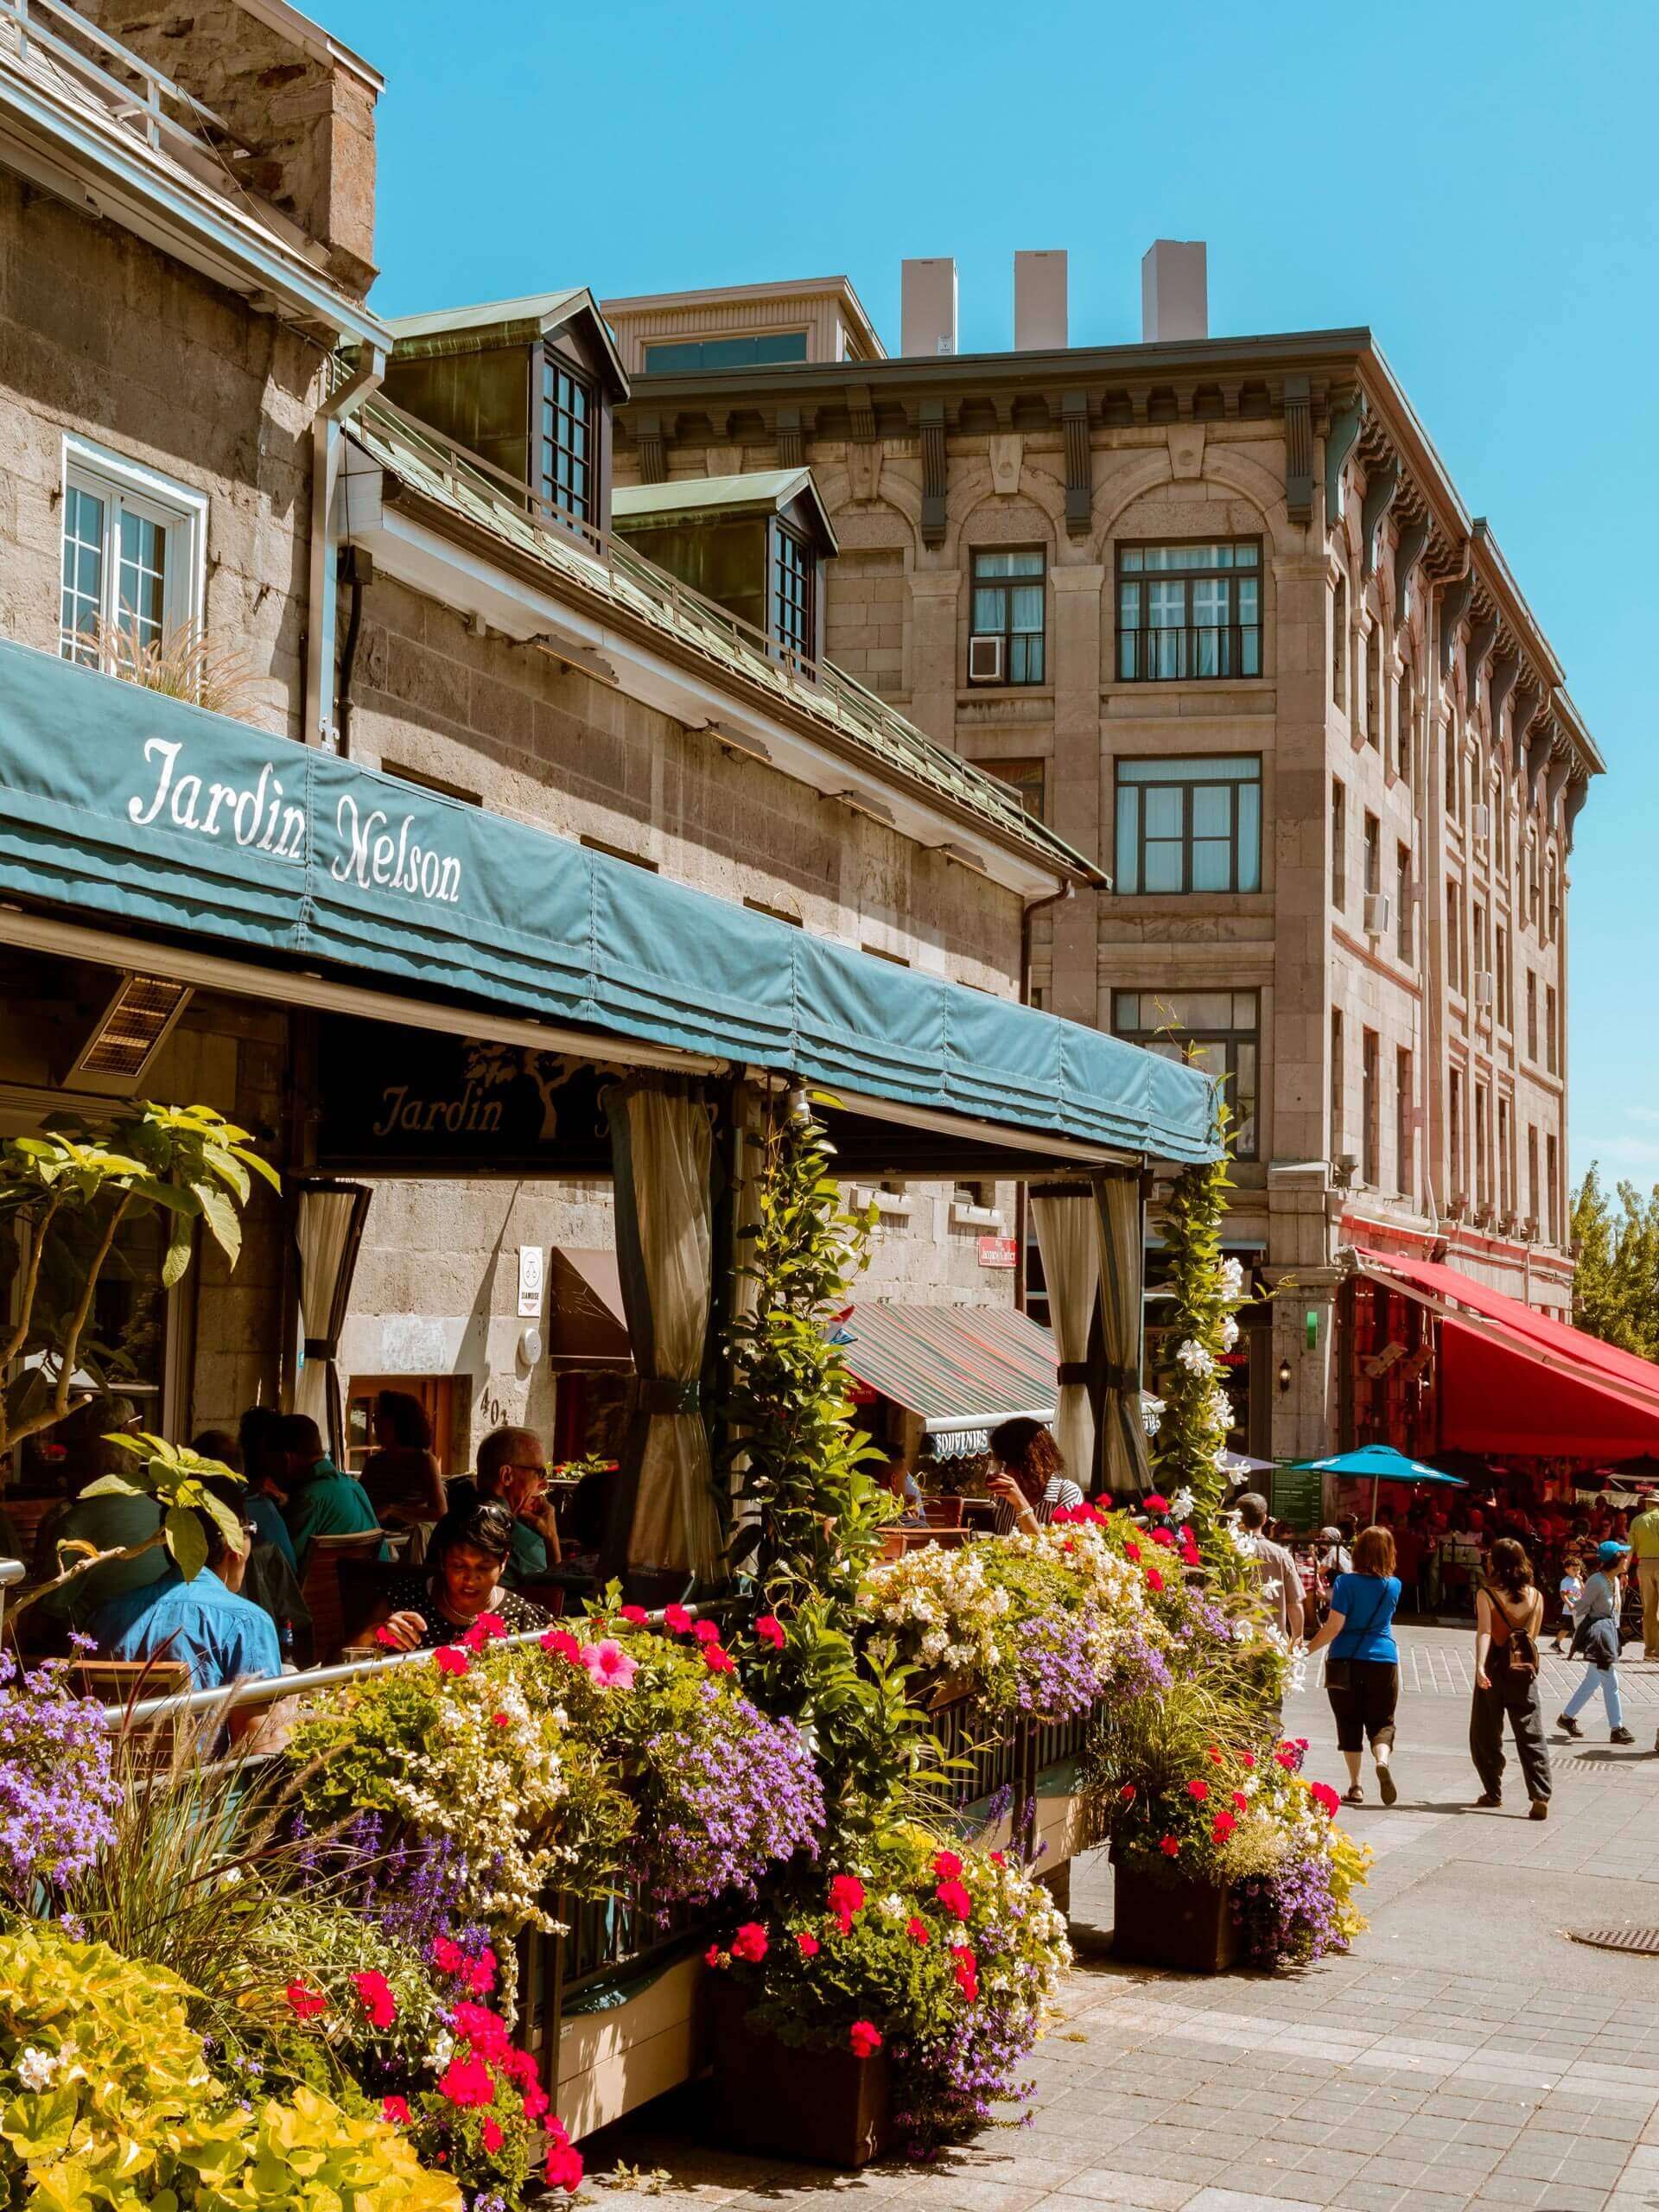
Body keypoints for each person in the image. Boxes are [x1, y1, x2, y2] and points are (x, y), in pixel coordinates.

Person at [87, 1478, 283, 1695]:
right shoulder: (247, 1622)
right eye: (249, 1530)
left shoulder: (106, 1615)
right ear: (233, 1546)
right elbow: (256, 1718)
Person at [1305, 1523, 1403, 1807]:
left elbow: (1334, 1626)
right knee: (1382, 1721)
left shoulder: (1345, 1583)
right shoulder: (1394, 1585)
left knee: (1349, 1722)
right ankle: (1381, 1760)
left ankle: (1356, 1785)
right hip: (1383, 1659)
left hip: (1345, 1659)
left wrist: (1307, 1650)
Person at [370, 1500, 550, 1651]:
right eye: (459, 1566)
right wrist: (378, 1633)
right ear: (443, 1559)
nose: (470, 1578)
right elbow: (355, 1652)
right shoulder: (405, 1599)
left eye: (484, 1568)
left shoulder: (521, 1618)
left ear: (503, 1562)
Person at [1471, 1537, 1552, 1819]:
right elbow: (1532, 1637)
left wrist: (1480, 1667)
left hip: (1494, 1666)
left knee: (1485, 1732)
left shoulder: (1486, 1594)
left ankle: (1493, 1791)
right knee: (1531, 1733)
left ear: (1495, 1562)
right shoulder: (1537, 1597)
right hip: (1523, 1669)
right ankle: (1540, 1794)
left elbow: (1484, 1632)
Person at [439, 1426, 562, 1587]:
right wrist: (551, 1538)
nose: (545, 1484)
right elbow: (553, 1595)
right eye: (540, 1473)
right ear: (507, 1475)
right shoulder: (523, 1542)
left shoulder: (446, 1523)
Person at [276, 1414, 382, 1575]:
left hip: (320, 1591)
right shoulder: (354, 1487)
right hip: (370, 1586)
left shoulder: (309, 1498)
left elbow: (283, 1564)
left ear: (286, 1459)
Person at [1559, 1540, 1637, 1745]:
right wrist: (1582, 1634)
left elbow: (1615, 1612)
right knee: (1611, 1681)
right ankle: (1617, 1728)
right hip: (1600, 1638)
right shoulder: (1596, 1581)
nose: (1627, 1558)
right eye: (1623, 1555)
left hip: (1609, 1635)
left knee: (1592, 1680)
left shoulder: (1615, 1581)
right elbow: (1581, 1608)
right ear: (1615, 1559)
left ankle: (1566, 1717)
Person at [359, 1390, 448, 1524]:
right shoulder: (373, 1463)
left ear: (400, 1422)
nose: (374, 1421)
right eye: (374, 1417)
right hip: (372, 1534)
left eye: (380, 1417)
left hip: (408, 1536)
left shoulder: (424, 1461)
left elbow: (440, 1513)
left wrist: (393, 1510)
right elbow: (359, 1503)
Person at [985, 1419, 1083, 1535]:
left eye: (1003, 1462)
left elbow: (1055, 1546)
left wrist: (1020, 1503)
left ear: (1026, 1462)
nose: (1001, 1470)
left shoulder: (1067, 1493)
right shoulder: (1003, 1497)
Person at [1233, 1492, 1306, 1641]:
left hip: (1232, 1640)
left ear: (1236, 1518)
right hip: (1272, 1642)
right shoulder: (1282, 1556)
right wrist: (1297, 1640)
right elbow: (1294, 1603)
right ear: (1264, 1519)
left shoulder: (1225, 1553)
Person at [1629, 1493, 1659, 1661]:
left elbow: (1630, 1549)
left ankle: (1649, 1650)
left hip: (1645, 1565)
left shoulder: (1638, 1521)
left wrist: (1623, 1571)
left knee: (1648, 1610)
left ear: (1647, 1503)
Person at [1554, 1546, 1586, 1656]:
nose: (1576, 1572)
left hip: (1578, 1608)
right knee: (1568, 1627)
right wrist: (1569, 1603)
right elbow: (1563, 1594)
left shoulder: (1578, 1580)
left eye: (1578, 1569)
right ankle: (1557, 1643)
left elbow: (1584, 1592)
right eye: (1574, 1569)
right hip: (1570, 1609)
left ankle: (1575, 1644)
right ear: (1567, 1570)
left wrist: (1581, 1582)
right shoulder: (1566, 1581)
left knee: (1577, 1627)